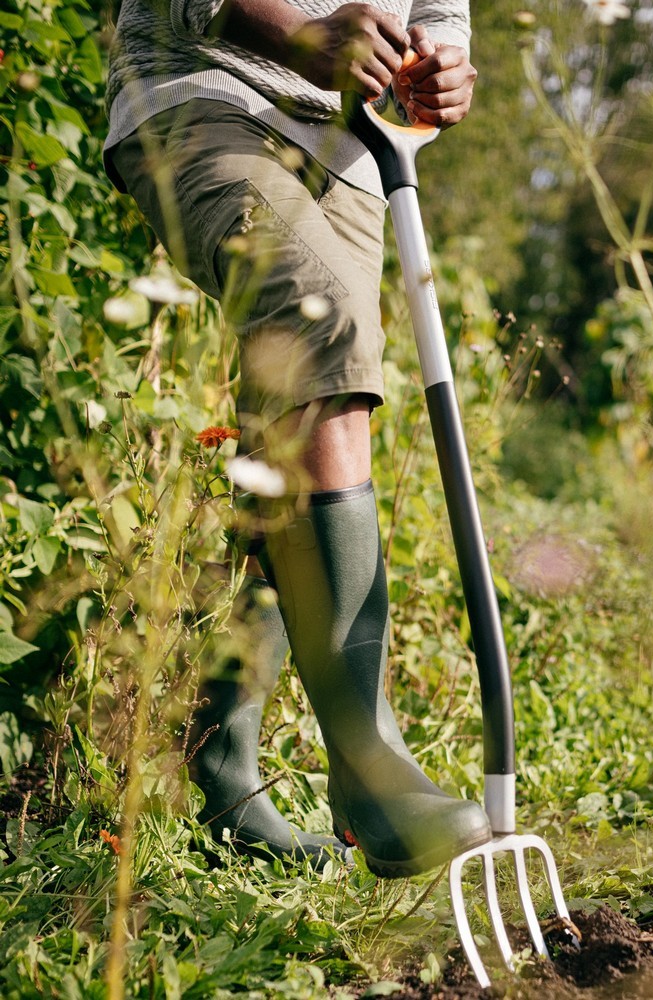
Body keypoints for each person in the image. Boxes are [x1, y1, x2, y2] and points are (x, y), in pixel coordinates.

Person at [103, 0, 491, 877]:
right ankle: (369, 764)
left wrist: (442, 59)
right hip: (209, 92)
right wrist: (295, 31)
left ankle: (222, 779)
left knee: (292, 445)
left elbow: (440, 9)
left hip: (354, 147)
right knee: (328, 329)